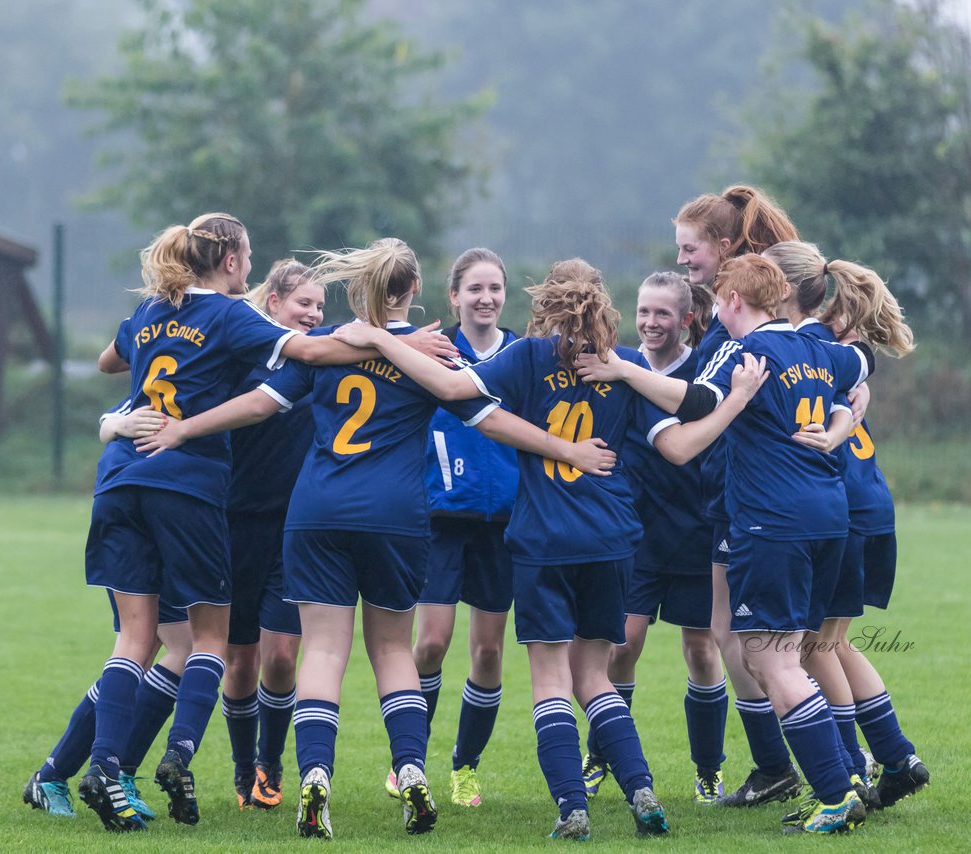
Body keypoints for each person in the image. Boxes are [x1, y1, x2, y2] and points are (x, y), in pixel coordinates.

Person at [135, 239, 615, 839]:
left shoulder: (330, 345)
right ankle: (411, 769)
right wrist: (564, 448)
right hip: (395, 515)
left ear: (358, 288)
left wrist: (184, 429)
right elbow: (490, 418)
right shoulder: (433, 353)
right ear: (415, 291)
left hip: (316, 512)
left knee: (325, 652)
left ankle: (315, 777)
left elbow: (260, 403)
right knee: (392, 650)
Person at [330, 258, 766, 840]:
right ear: (602, 304)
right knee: (596, 677)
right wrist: (734, 401)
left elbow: (454, 389)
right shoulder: (625, 365)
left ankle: (571, 808)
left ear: (545, 305)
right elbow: (682, 442)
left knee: (551, 681)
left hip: (543, 542)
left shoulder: (530, 356)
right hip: (611, 540)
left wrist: (382, 338)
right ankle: (641, 791)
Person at [77, 213, 450, 832]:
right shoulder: (235, 315)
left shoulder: (148, 312)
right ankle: (400, 765)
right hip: (226, 494)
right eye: (247, 258)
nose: (248, 270)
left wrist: (122, 422)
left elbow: (118, 365)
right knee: (233, 642)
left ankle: (117, 769)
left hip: (150, 484)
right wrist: (395, 342)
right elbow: (475, 405)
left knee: (146, 641)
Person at [576, 254, 875, 834]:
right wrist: (849, 406)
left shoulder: (745, 353)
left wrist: (626, 372)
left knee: (770, 658)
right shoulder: (819, 346)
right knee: (785, 653)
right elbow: (862, 362)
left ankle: (838, 794)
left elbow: (695, 405)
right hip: (828, 518)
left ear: (734, 301)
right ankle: (843, 775)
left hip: (772, 524)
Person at [762, 240, 928, 810]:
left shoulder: (802, 345)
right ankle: (897, 757)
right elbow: (861, 365)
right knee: (829, 643)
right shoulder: (835, 344)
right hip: (867, 506)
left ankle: (853, 767)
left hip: (842, 509)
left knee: (812, 648)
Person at [581, 271, 728, 806]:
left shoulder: (704, 371)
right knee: (622, 645)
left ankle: (709, 770)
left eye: (662, 313)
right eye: (643, 312)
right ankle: (601, 757)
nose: (650, 322)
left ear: (686, 318)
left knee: (702, 651)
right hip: (634, 535)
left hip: (696, 532)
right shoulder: (619, 363)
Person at [392, 248, 519, 809]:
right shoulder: (432, 351)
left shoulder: (522, 354)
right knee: (432, 644)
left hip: (504, 527)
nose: (486, 298)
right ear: (453, 296)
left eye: (494, 288)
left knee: (488, 655)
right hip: (441, 522)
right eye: (474, 289)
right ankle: (409, 762)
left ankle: (465, 767)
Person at [24, 404, 192, 823]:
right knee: (160, 644)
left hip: (168, 510)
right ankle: (102, 773)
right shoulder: (196, 351)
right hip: (145, 511)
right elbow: (110, 419)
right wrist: (119, 423)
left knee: (160, 646)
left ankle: (62, 773)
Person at [220, 260, 321, 811]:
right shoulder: (240, 359)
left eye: (320, 307)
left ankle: (270, 764)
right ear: (274, 302)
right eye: (304, 303)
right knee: (239, 660)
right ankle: (242, 772)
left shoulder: (316, 365)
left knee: (282, 655)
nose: (313, 315)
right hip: (235, 525)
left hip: (293, 529)